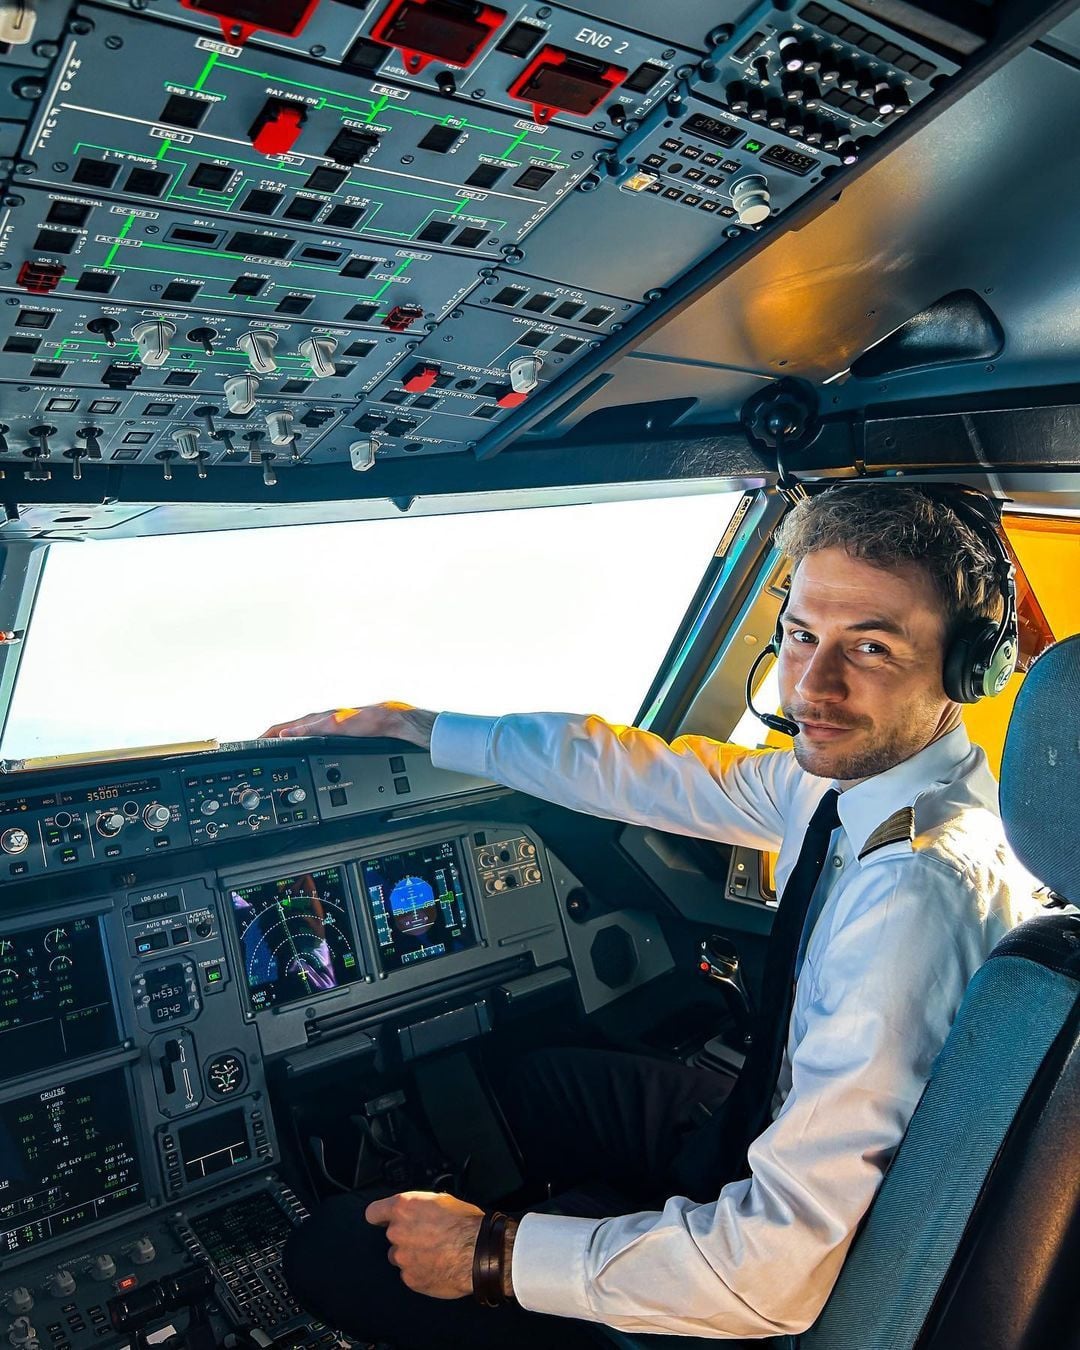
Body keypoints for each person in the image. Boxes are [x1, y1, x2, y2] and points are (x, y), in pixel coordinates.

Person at [267, 486, 1040, 1346]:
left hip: (792, 1281)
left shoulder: (910, 897)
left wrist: (487, 1253)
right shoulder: (858, 786)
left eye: (870, 646)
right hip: (775, 1122)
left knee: (335, 1250)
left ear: (969, 669)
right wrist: (426, 727)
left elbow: (771, 1273)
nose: (812, 687)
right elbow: (651, 772)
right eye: (800, 636)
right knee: (537, 1082)